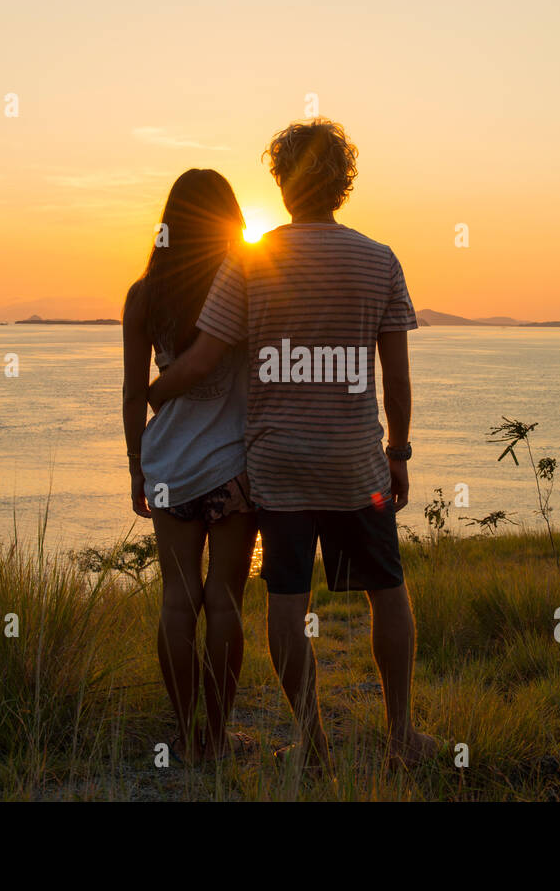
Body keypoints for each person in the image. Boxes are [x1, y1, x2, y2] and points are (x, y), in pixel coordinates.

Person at [148, 120, 438, 771]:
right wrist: (400, 452)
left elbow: (202, 360)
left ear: (281, 182)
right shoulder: (380, 258)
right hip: (356, 463)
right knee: (386, 591)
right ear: (343, 182)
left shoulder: (251, 260)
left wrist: (155, 395)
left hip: (278, 467)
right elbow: (397, 375)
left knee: (287, 600)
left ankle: (313, 744)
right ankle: (401, 738)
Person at [122, 169, 258, 764]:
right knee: (225, 598)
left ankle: (185, 738)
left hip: (171, 465)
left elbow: (132, 392)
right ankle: (219, 740)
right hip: (233, 465)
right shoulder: (247, 286)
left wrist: (135, 463)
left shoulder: (144, 295)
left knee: (177, 599)